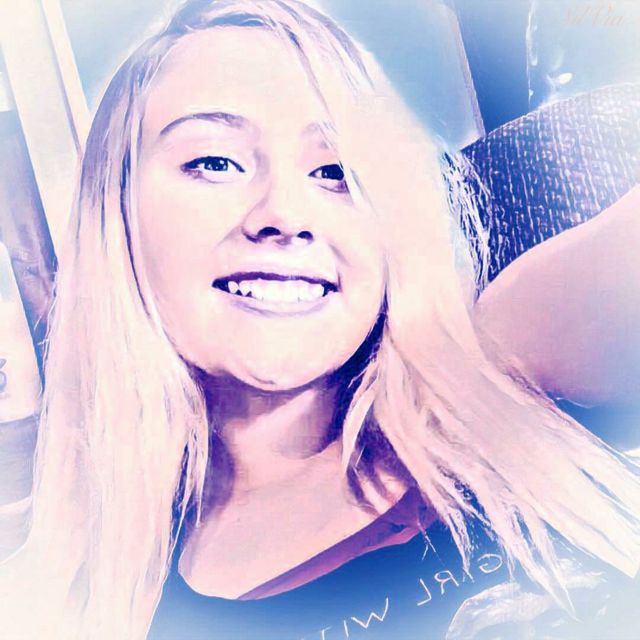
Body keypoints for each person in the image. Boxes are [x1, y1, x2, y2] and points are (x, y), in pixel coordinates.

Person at [0, 0, 638, 638]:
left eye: (336, 172)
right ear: (118, 218)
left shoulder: (496, 369)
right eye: (215, 162)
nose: (285, 213)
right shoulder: (86, 600)